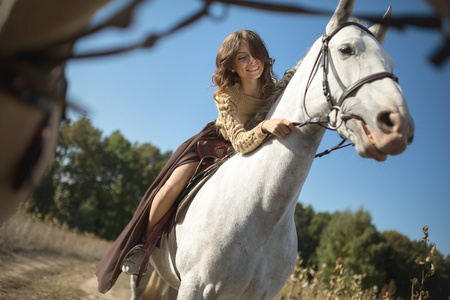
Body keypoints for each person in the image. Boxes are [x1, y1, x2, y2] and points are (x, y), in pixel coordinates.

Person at [96, 29, 296, 294]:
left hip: (248, 151)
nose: (252, 62)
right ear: (232, 66)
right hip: (212, 146)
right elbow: (239, 141)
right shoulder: (225, 95)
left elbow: (297, 76)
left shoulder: (272, 88)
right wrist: (266, 127)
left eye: (256, 54)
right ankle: (142, 246)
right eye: (242, 58)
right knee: (173, 185)